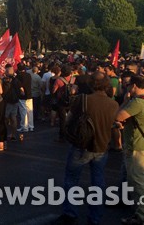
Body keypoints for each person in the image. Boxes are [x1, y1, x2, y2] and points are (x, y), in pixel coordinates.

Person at [53, 73, 119, 225]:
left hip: (81, 145)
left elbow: (69, 119)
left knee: (72, 179)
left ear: (91, 84)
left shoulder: (83, 100)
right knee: (98, 182)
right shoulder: (113, 104)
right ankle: (95, 217)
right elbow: (114, 126)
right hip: (102, 146)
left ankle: (70, 213)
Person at [115, 74, 144, 225]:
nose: (126, 87)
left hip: (137, 147)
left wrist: (125, 102)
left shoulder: (137, 102)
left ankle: (142, 216)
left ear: (134, 85)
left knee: (139, 182)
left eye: (128, 85)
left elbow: (118, 116)